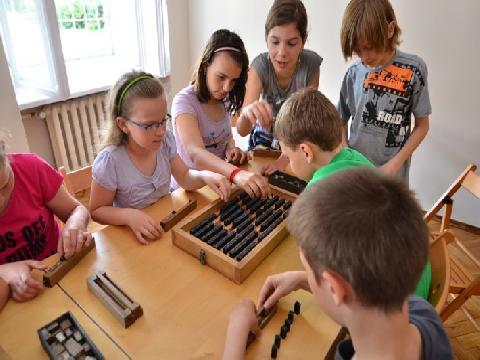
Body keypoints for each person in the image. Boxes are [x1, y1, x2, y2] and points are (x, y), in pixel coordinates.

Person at [223, 168, 453, 360]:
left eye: (309, 270)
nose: (308, 275)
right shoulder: (423, 314)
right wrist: (305, 279)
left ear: (335, 288)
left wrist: (236, 333)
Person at [274, 87, 431, 300]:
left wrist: (306, 278)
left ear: (305, 151)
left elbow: (330, 275)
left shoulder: (318, 193)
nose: (290, 166)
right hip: (417, 278)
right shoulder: (352, 156)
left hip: (393, 305)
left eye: (288, 157)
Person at [90, 71, 231, 245]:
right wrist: (129, 216)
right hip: (134, 237)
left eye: (163, 120)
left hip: (164, 225)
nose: (161, 131)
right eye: (149, 125)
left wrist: (205, 176)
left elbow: (185, 178)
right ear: (123, 124)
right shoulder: (110, 162)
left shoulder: (165, 142)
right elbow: (97, 210)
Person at [338, 0, 431, 184]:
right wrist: (345, 153)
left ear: (390, 30)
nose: (364, 58)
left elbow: (422, 126)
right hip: (355, 175)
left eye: (369, 48)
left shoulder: (413, 70)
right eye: (358, 51)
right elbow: (340, 119)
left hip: (392, 177)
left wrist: (394, 165)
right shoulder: (354, 73)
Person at [172, 29, 270, 199]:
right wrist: (236, 174)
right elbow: (195, 153)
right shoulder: (184, 102)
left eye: (233, 81)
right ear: (205, 67)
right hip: (190, 193)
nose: (227, 88)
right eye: (221, 77)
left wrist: (231, 149)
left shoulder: (224, 98)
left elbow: (225, 138)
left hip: (219, 187)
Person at [235, 0, 322, 175]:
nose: (282, 52)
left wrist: (285, 158)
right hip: (263, 142)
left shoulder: (311, 65)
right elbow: (242, 130)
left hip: (296, 143)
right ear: (266, 37)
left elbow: (307, 123)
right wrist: (247, 113)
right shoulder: (259, 66)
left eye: (291, 43)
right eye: (275, 42)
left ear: (303, 41)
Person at [0, 141, 91, 302]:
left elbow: (77, 210)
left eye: (4, 185)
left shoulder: (30, 168)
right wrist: (4, 272)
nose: (1, 201)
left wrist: (75, 223)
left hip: (61, 271)